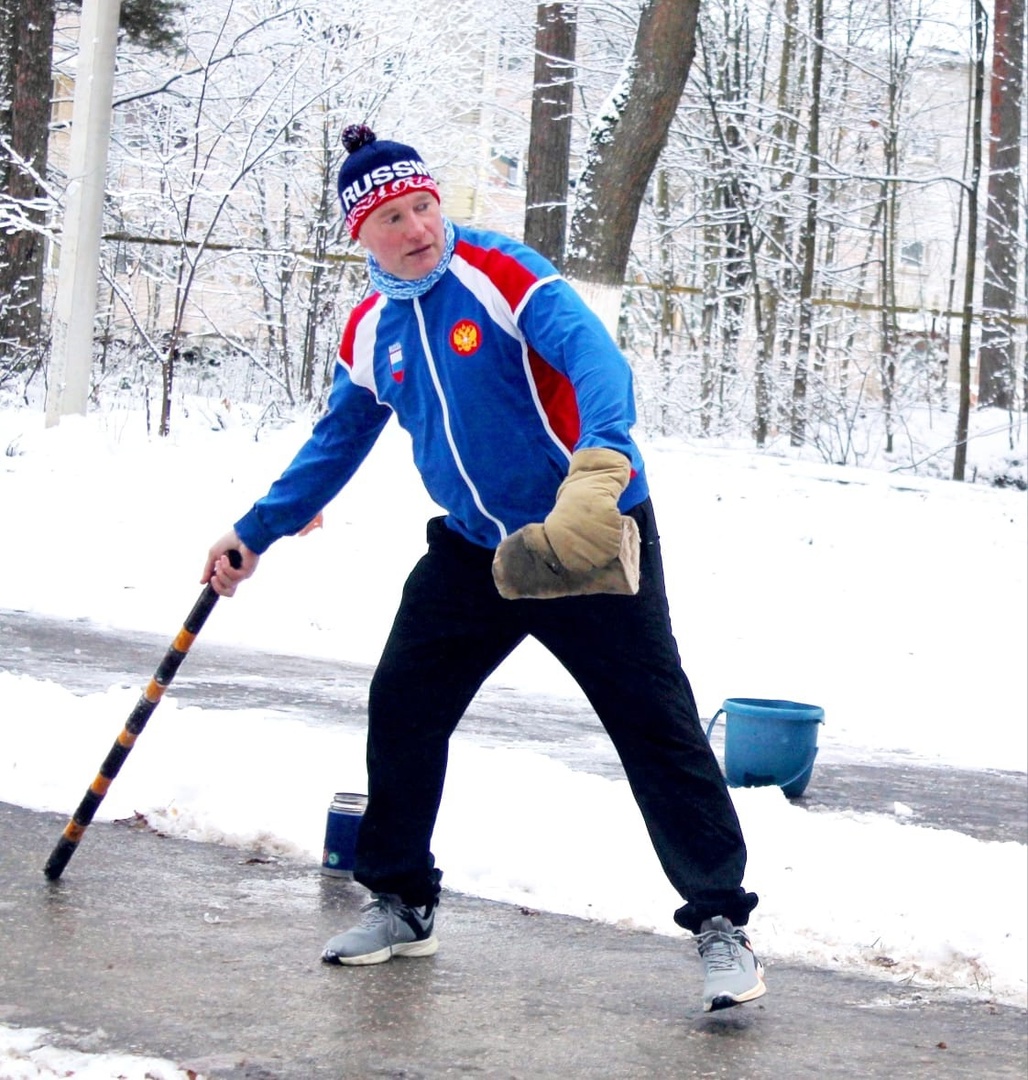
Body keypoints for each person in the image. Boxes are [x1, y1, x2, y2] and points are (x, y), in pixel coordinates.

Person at [202, 124, 765, 1013]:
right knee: (404, 704)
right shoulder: (368, 331)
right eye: (393, 216)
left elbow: (596, 358)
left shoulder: (501, 275)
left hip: (583, 536)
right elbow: (336, 442)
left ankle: (721, 922)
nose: (418, 227)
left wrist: (603, 461)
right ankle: (401, 899)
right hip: (475, 550)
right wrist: (255, 531)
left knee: (655, 725)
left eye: (424, 205)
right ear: (362, 235)